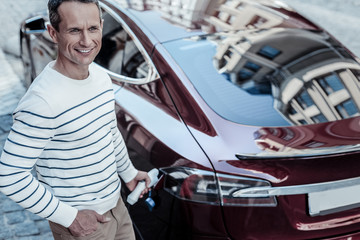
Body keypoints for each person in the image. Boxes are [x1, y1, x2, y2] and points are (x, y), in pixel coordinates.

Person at [0, 0, 151, 239]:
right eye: (74, 30)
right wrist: (70, 217)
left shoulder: (101, 77)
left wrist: (129, 174)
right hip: (82, 226)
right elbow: (10, 177)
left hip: (117, 207)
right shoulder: (42, 101)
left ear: (102, 26)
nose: (86, 41)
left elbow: (109, 132)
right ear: (53, 33)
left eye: (92, 28)